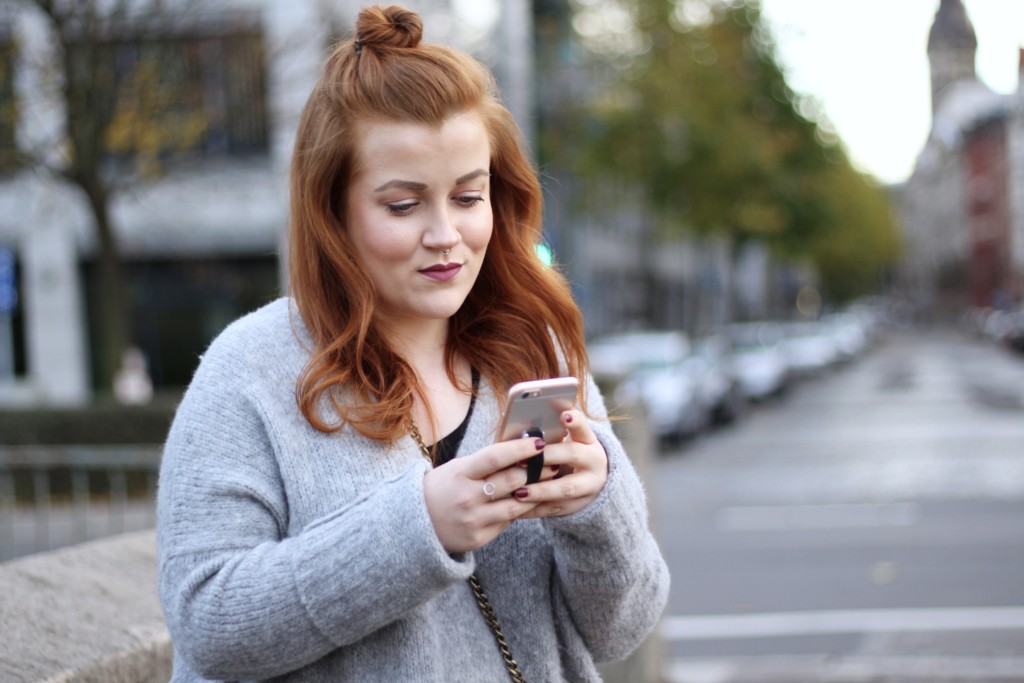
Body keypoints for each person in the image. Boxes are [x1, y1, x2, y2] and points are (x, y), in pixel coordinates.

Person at [156, 5, 669, 682]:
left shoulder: (533, 344)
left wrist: (598, 506)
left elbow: (621, 630)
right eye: (403, 205)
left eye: (467, 196)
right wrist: (417, 529)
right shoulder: (249, 367)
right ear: (332, 209)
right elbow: (209, 623)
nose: (445, 234)